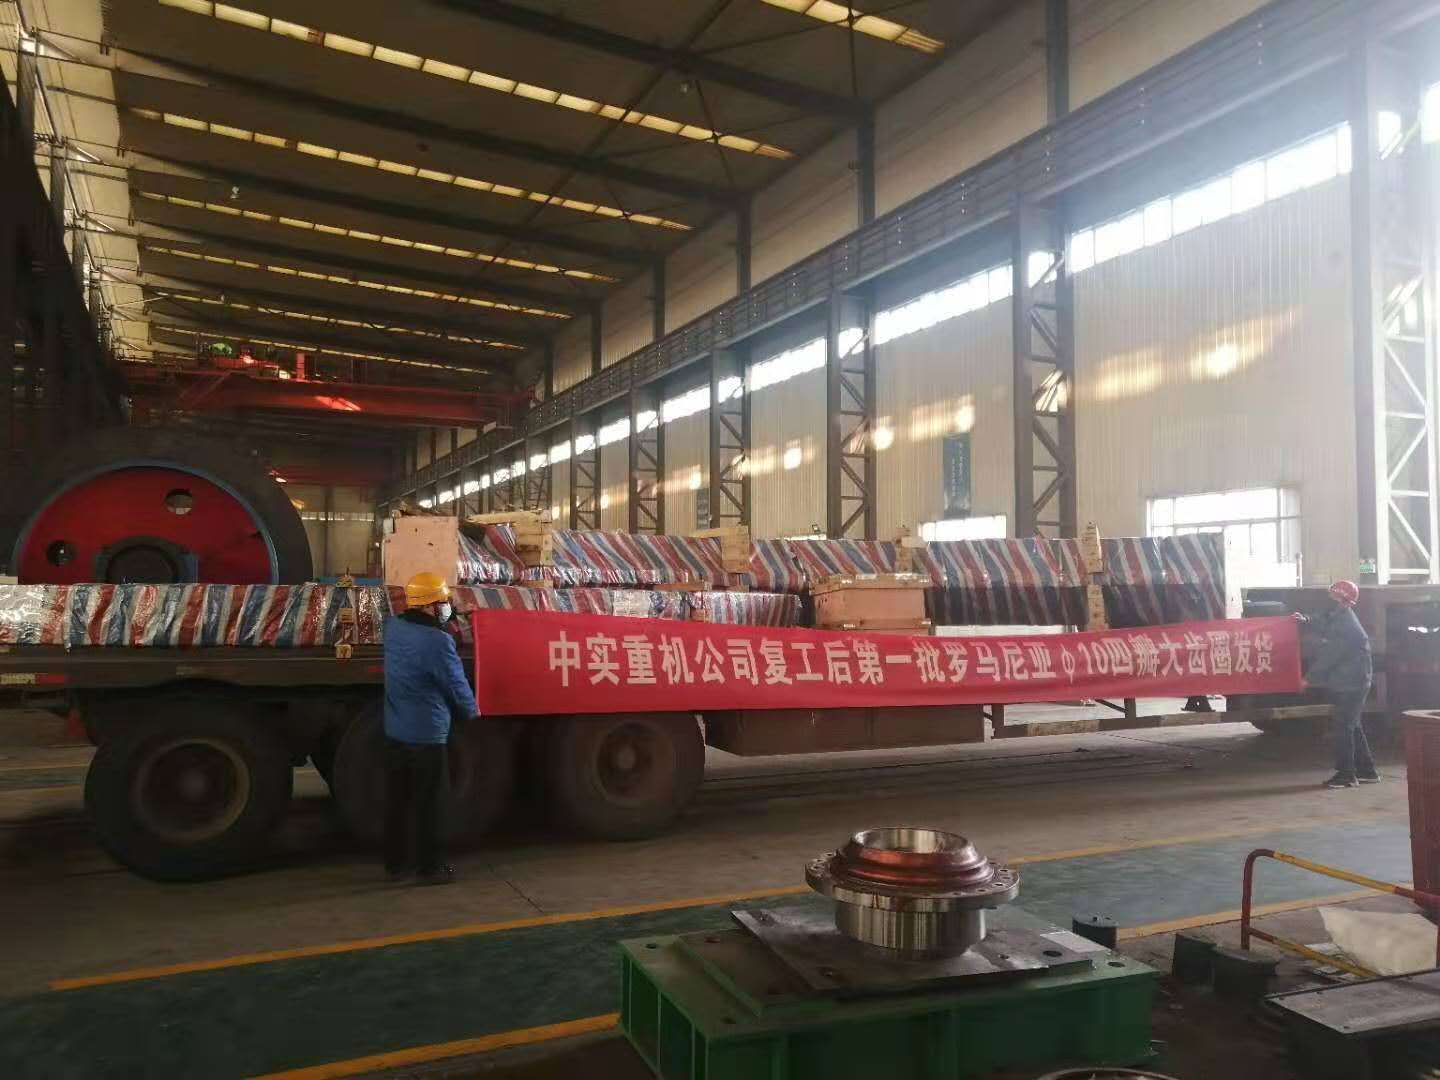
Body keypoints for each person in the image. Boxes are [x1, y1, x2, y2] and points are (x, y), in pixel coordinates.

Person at [383, 571, 476, 885]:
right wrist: (472, 712)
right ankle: (431, 867)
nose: (445, 608)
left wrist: (452, 617)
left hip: (396, 728)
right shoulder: (437, 641)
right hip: (427, 733)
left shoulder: (394, 627)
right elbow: (454, 683)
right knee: (431, 803)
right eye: (442, 603)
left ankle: (396, 865)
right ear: (428, 606)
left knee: (398, 800)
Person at [1303, 579, 1378, 789]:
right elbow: (1325, 619)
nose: (1331, 600)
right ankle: (1367, 771)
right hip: (1352, 680)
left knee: (1343, 728)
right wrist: (1306, 619)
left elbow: (1330, 656)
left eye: (1335, 597)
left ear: (1344, 601)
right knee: (1352, 725)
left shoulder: (1347, 626)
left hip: (1352, 683)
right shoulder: (1340, 615)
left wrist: (1308, 678)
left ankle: (1346, 775)